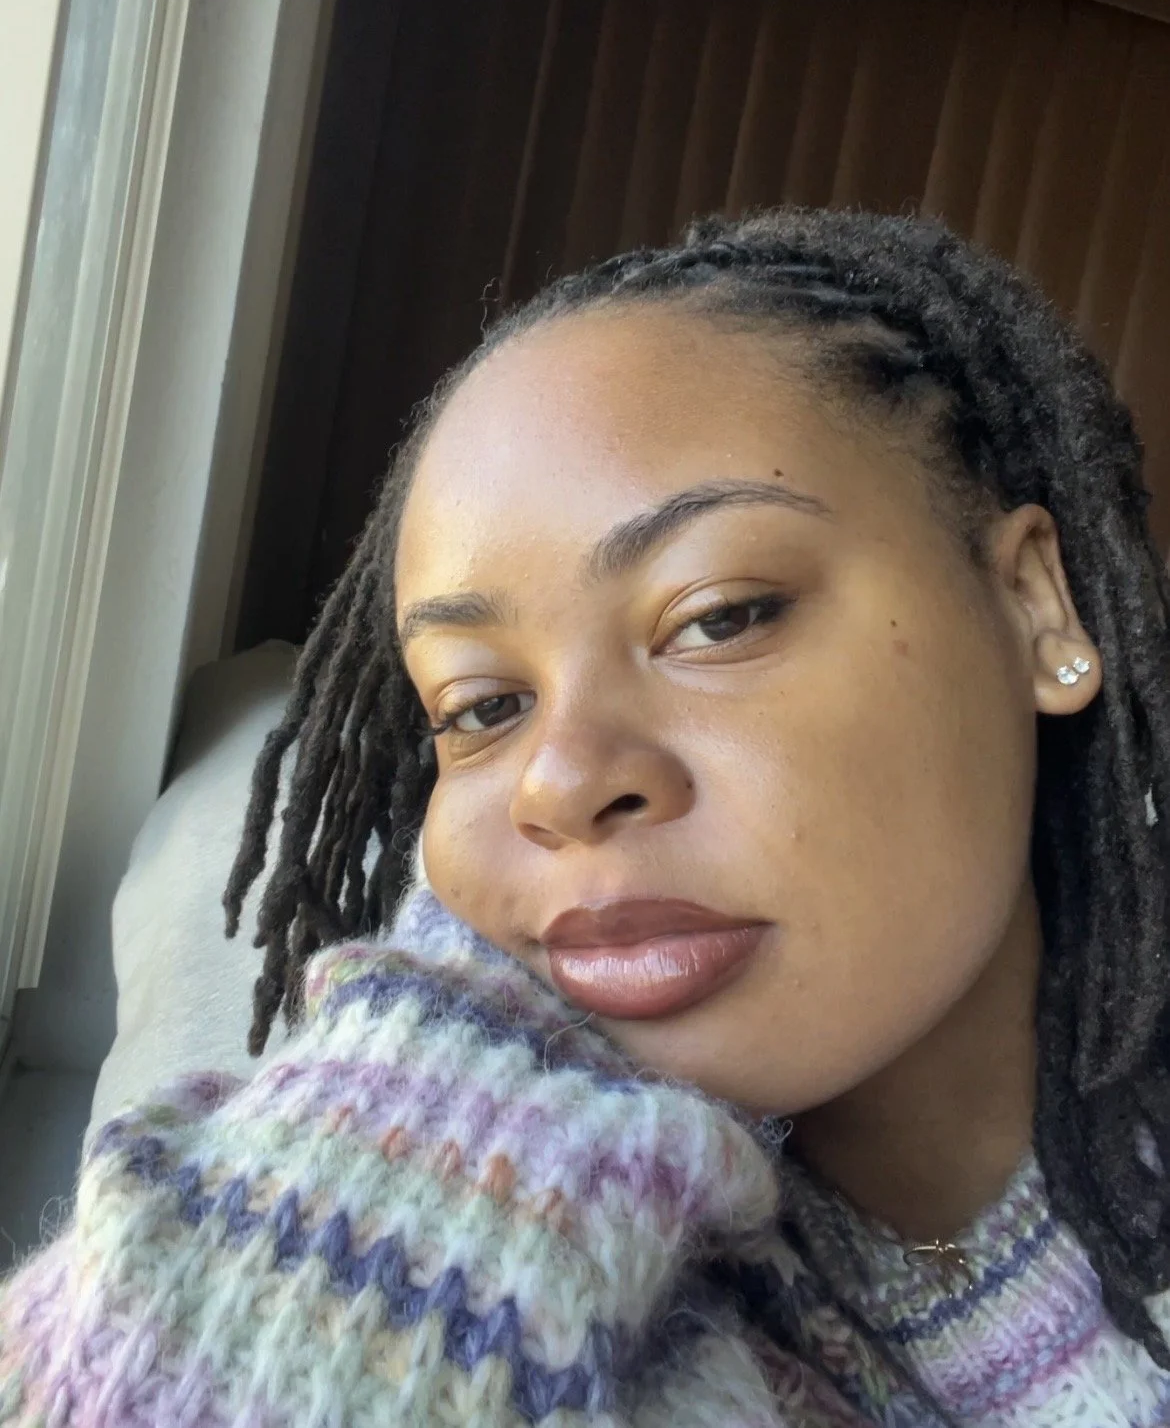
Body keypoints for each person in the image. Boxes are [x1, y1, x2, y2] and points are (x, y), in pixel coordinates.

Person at [3, 207, 1170, 1427]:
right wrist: (450, 1088)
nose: (556, 784)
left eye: (720, 616)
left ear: (1034, 606)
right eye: (485, 705)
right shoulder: (495, 1220)